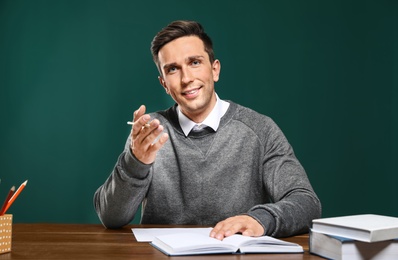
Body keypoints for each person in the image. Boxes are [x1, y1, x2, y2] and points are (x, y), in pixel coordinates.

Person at [94, 20, 321, 240]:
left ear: (215, 70)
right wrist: (136, 161)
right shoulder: (149, 132)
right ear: (164, 83)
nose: (186, 78)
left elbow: (306, 203)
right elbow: (111, 217)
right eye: (173, 69)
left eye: (195, 62)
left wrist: (261, 220)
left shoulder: (260, 129)